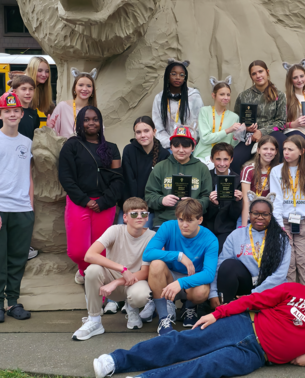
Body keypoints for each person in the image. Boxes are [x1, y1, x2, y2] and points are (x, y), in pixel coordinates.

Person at [92, 264, 305, 378]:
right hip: (242, 324)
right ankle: (117, 361)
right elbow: (251, 301)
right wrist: (217, 313)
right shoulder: (293, 289)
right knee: (183, 342)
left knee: (206, 367)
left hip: (258, 356)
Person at [0, 91, 35, 323]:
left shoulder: (27, 142)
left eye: (16, 110)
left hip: (22, 209)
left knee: (18, 258)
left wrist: (30, 205)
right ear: (0, 114)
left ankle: (13, 301)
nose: (12, 114)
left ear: (22, 114)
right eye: (7, 111)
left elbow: (29, 176)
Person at [72, 197, 156, 340]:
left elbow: (145, 272)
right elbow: (89, 255)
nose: (140, 217)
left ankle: (132, 308)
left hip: (135, 280)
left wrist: (117, 282)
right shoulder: (115, 230)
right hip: (114, 277)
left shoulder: (152, 236)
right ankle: (94, 320)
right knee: (92, 270)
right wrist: (122, 269)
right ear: (125, 217)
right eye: (134, 214)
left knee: (140, 295)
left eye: (144, 213)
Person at [58, 106, 123, 285]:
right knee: (78, 251)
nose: (91, 123)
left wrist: (104, 201)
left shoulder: (112, 148)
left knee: (101, 251)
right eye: (86, 119)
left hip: (105, 204)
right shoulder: (71, 145)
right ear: (80, 123)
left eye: (95, 119)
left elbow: (118, 179)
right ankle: (84, 270)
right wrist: (85, 200)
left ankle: (98, 290)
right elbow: (66, 177)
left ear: (100, 122)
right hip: (79, 202)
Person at [142, 198, 218, 333]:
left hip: (192, 279)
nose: (184, 225)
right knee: (156, 264)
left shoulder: (210, 239)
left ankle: (190, 307)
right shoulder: (168, 227)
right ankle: (164, 318)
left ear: (200, 220)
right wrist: (178, 256)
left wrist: (181, 283)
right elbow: (147, 254)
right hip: (169, 276)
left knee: (202, 292)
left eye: (190, 220)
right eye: (181, 220)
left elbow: (209, 274)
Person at [209, 192, 291, 307]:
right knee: (228, 265)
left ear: (271, 215)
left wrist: (253, 295)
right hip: (246, 284)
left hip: (270, 288)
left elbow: (280, 274)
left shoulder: (281, 238)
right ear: (249, 214)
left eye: (265, 214)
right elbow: (220, 265)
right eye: (255, 213)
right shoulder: (236, 235)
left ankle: (249, 307)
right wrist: (213, 293)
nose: (260, 217)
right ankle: (226, 310)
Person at [271, 135, 305, 286]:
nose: (286, 152)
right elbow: (276, 201)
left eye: (290, 149)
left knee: (303, 262)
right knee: (289, 263)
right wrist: (280, 225)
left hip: (303, 221)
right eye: (284, 149)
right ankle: (291, 299)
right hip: (283, 222)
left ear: (301, 151)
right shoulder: (276, 171)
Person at [145, 125, 212, 229]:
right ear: (171, 147)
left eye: (185, 146)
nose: (181, 150)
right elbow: (149, 196)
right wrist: (162, 200)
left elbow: (207, 197)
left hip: (192, 222)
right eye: (176, 146)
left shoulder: (202, 168)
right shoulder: (160, 167)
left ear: (193, 147)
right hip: (164, 221)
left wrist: (195, 204)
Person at [231, 60, 287, 173]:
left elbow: (281, 122)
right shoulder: (243, 96)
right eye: (254, 73)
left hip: (272, 133)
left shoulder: (279, 95)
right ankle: (239, 189)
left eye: (260, 71)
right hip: (249, 136)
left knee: (285, 147)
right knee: (234, 160)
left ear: (267, 72)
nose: (258, 76)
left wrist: (261, 132)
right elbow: (237, 119)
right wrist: (246, 129)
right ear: (251, 76)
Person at [121, 117, 170, 229]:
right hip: (130, 205)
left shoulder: (164, 154)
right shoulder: (129, 150)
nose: (142, 135)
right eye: (138, 132)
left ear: (154, 131)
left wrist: (145, 208)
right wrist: (135, 208)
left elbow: (161, 185)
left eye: (146, 131)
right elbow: (129, 180)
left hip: (152, 208)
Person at [152, 59, 204, 149]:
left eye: (181, 75)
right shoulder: (159, 99)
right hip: (168, 146)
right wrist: (172, 143)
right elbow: (158, 128)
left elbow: (200, 124)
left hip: (190, 145)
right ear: (167, 75)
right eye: (174, 74)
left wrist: (185, 142)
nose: (178, 77)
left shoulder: (194, 97)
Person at [195, 77, 243, 169]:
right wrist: (228, 130)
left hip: (222, 158)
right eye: (222, 94)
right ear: (213, 95)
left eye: (228, 95)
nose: (226, 98)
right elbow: (205, 138)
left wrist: (236, 136)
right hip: (202, 155)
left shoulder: (234, 117)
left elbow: (232, 144)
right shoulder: (204, 111)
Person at [204, 143, 244, 250]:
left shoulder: (237, 180)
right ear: (211, 159)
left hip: (227, 228)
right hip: (207, 226)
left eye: (226, 159)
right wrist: (213, 204)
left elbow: (234, 215)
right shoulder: (206, 177)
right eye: (218, 159)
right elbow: (202, 209)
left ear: (231, 160)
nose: (222, 163)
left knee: (220, 250)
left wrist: (237, 201)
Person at [239, 135, 280, 226]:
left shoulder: (278, 170)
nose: (268, 152)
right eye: (265, 148)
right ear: (258, 150)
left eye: (272, 149)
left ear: (276, 151)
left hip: (270, 213)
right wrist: (244, 226)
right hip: (252, 213)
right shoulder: (248, 169)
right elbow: (246, 199)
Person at [0, 75, 42, 141]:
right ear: (15, 91)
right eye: (23, 89)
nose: (28, 93)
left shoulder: (34, 114)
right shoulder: (5, 112)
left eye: (31, 89)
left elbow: (34, 139)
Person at [48, 68, 97, 138]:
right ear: (74, 88)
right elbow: (52, 134)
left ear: (92, 90)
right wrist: (49, 128)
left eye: (89, 86)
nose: (85, 89)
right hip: (65, 147)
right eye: (81, 85)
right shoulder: (62, 106)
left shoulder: (94, 111)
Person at [282, 60, 305, 153]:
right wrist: (294, 124)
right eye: (295, 77)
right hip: (292, 130)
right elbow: (278, 124)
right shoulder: (285, 97)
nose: (299, 80)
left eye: (302, 76)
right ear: (290, 80)